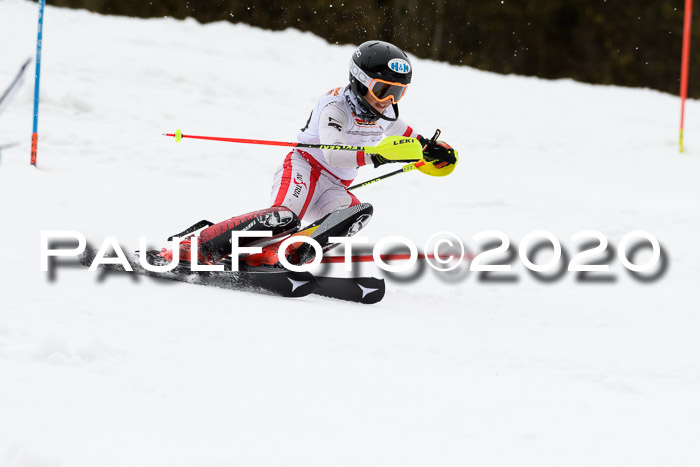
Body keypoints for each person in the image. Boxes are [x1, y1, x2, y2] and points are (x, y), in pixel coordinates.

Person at [164, 40, 457, 268]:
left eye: (399, 92)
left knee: (356, 213)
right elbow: (334, 155)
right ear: (360, 81)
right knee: (283, 218)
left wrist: (433, 151)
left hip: (334, 187)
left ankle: (278, 254)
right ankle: (195, 246)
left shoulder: (384, 113)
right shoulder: (335, 107)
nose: (389, 101)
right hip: (305, 170)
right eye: (383, 90)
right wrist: (378, 156)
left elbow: (411, 139)